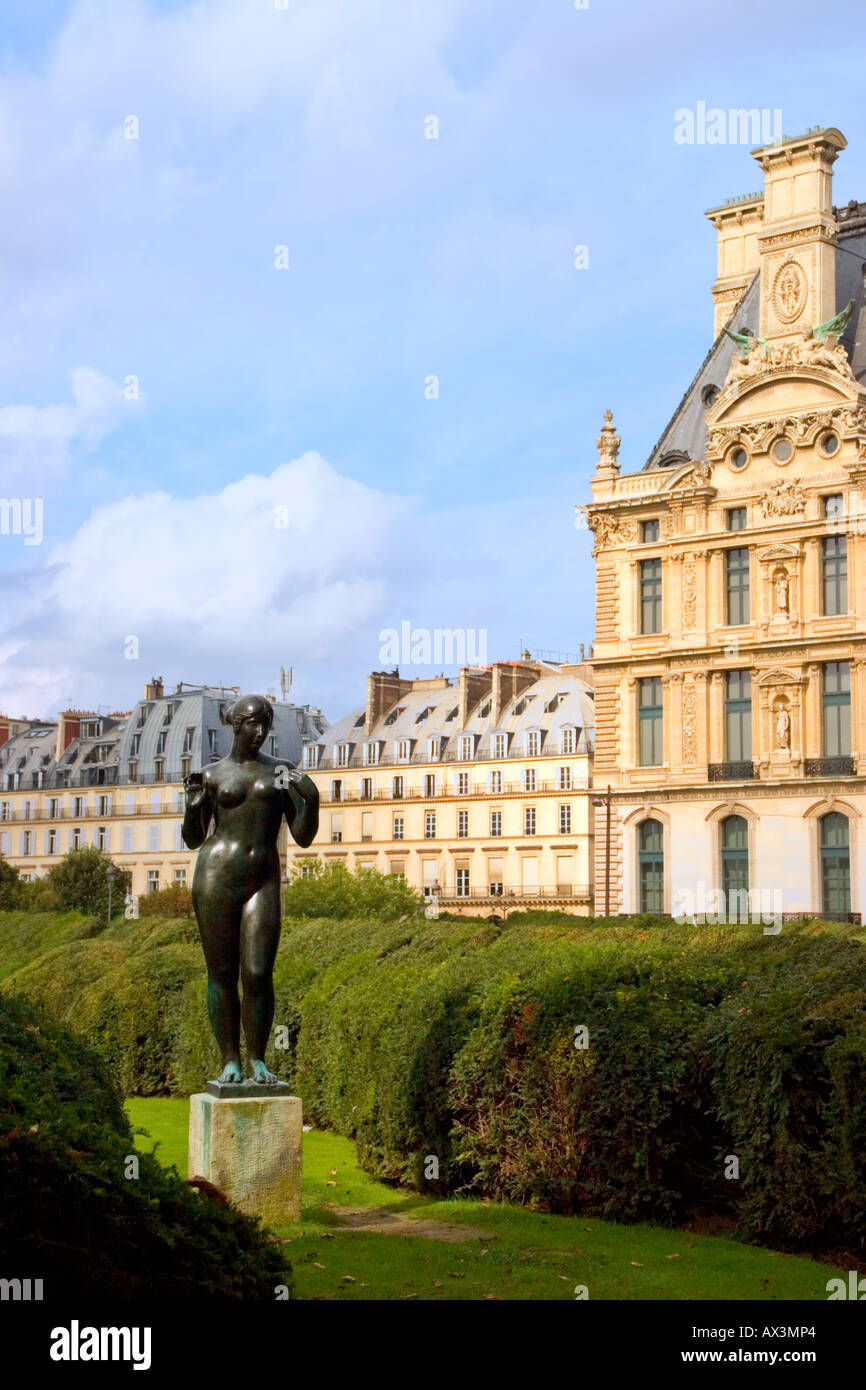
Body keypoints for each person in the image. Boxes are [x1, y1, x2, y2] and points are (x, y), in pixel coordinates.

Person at [182, 693, 319, 1084]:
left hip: (263, 879)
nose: (260, 732)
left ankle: (257, 1059)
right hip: (216, 878)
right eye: (253, 724)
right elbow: (194, 839)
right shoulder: (211, 775)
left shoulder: (279, 772)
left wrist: (311, 797)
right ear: (237, 726)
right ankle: (230, 1060)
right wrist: (193, 807)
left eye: (265, 724)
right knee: (221, 972)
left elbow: (303, 837)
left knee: (258, 973)